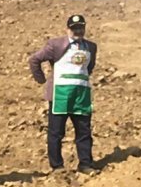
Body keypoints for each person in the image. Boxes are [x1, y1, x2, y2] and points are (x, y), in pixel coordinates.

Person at [28, 14, 98, 174]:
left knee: (84, 131)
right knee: (56, 132)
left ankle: (85, 164)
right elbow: (34, 59)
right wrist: (41, 80)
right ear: (67, 29)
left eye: (81, 27)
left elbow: (89, 67)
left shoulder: (91, 47)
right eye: (74, 28)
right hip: (60, 94)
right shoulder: (56, 45)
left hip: (81, 95)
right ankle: (57, 166)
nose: (78, 31)